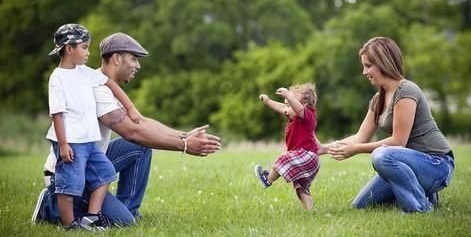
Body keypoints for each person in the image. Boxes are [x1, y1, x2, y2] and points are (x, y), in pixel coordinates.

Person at [33, 32, 222, 227]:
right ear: (116, 58)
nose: (138, 66)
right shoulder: (95, 88)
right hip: (70, 166)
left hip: (90, 160)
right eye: (133, 59)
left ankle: (127, 209)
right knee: (122, 221)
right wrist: (183, 145)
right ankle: (50, 205)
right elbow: (131, 132)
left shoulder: (103, 84)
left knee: (140, 148)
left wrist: (184, 136)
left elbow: (141, 123)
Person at [320, 36, 455, 213]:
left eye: (368, 66)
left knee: (381, 156)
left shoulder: (406, 91)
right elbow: (360, 137)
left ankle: (421, 207)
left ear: (383, 62)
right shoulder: (378, 99)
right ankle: (422, 193)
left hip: (436, 164)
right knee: (361, 206)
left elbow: (398, 142)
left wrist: (357, 149)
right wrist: (323, 148)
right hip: (406, 167)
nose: (364, 72)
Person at [45, 24, 140, 231]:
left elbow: (111, 84)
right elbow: (57, 114)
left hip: (89, 142)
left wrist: (130, 108)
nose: (89, 53)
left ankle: (91, 217)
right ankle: (67, 223)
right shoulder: (58, 78)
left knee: (105, 173)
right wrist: (62, 144)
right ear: (69, 48)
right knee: (70, 185)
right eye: (85, 47)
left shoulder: (85, 73)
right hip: (70, 141)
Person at [254, 83, 320, 210]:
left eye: (290, 104)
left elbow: (299, 109)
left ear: (304, 105)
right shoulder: (294, 116)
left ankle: (267, 179)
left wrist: (289, 95)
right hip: (306, 158)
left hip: (307, 155)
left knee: (284, 157)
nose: (286, 109)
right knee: (301, 188)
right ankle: (310, 211)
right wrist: (268, 101)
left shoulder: (308, 116)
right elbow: (281, 107)